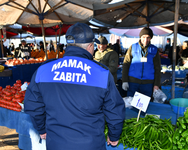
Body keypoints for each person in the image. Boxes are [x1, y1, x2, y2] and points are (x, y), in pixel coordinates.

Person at [24, 22, 125, 150]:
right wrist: (114, 135)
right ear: (89, 46)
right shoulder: (101, 73)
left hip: (56, 143)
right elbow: (114, 110)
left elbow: (33, 105)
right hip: (91, 144)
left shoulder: (43, 70)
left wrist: (41, 129)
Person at [121, 27, 161, 98]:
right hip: (133, 82)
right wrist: (124, 80)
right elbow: (126, 64)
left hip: (148, 84)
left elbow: (157, 68)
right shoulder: (133, 47)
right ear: (140, 37)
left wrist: (156, 84)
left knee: (143, 107)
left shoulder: (154, 49)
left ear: (151, 38)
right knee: (130, 105)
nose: (146, 40)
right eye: (144, 37)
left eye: (148, 37)